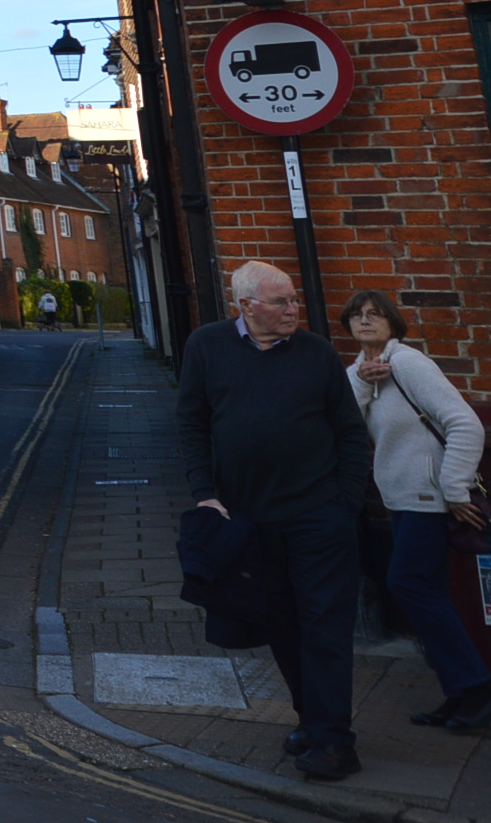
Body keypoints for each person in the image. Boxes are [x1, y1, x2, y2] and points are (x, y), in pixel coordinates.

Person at [177, 261, 374, 783]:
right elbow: (192, 422)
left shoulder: (317, 352)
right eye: (281, 301)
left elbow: (350, 432)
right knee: (282, 626)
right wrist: (204, 495)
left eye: (294, 299)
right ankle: (312, 720)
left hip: (319, 516)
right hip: (250, 519)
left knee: (325, 628)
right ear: (246, 306)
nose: (293, 309)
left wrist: (345, 503)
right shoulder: (206, 346)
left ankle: (335, 743)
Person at [342, 290, 491, 734]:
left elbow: (465, 423)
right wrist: (363, 380)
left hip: (430, 498)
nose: (365, 321)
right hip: (400, 499)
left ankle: (478, 688)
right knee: (428, 589)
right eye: (356, 315)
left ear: (393, 323)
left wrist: (455, 488)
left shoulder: (410, 364)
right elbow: (341, 422)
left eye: (375, 314)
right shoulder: (357, 373)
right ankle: (461, 693)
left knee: (408, 582)